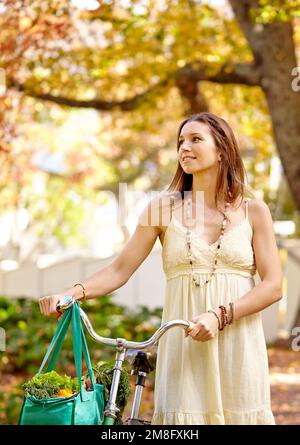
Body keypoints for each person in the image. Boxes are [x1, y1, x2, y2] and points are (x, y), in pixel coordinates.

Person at [39, 112, 283, 425]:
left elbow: (273, 285)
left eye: (195, 139)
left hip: (239, 348)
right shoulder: (161, 209)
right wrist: (71, 294)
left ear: (222, 150)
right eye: (181, 141)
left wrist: (220, 315)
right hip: (184, 346)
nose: (184, 147)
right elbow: (119, 270)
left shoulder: (254, 210)